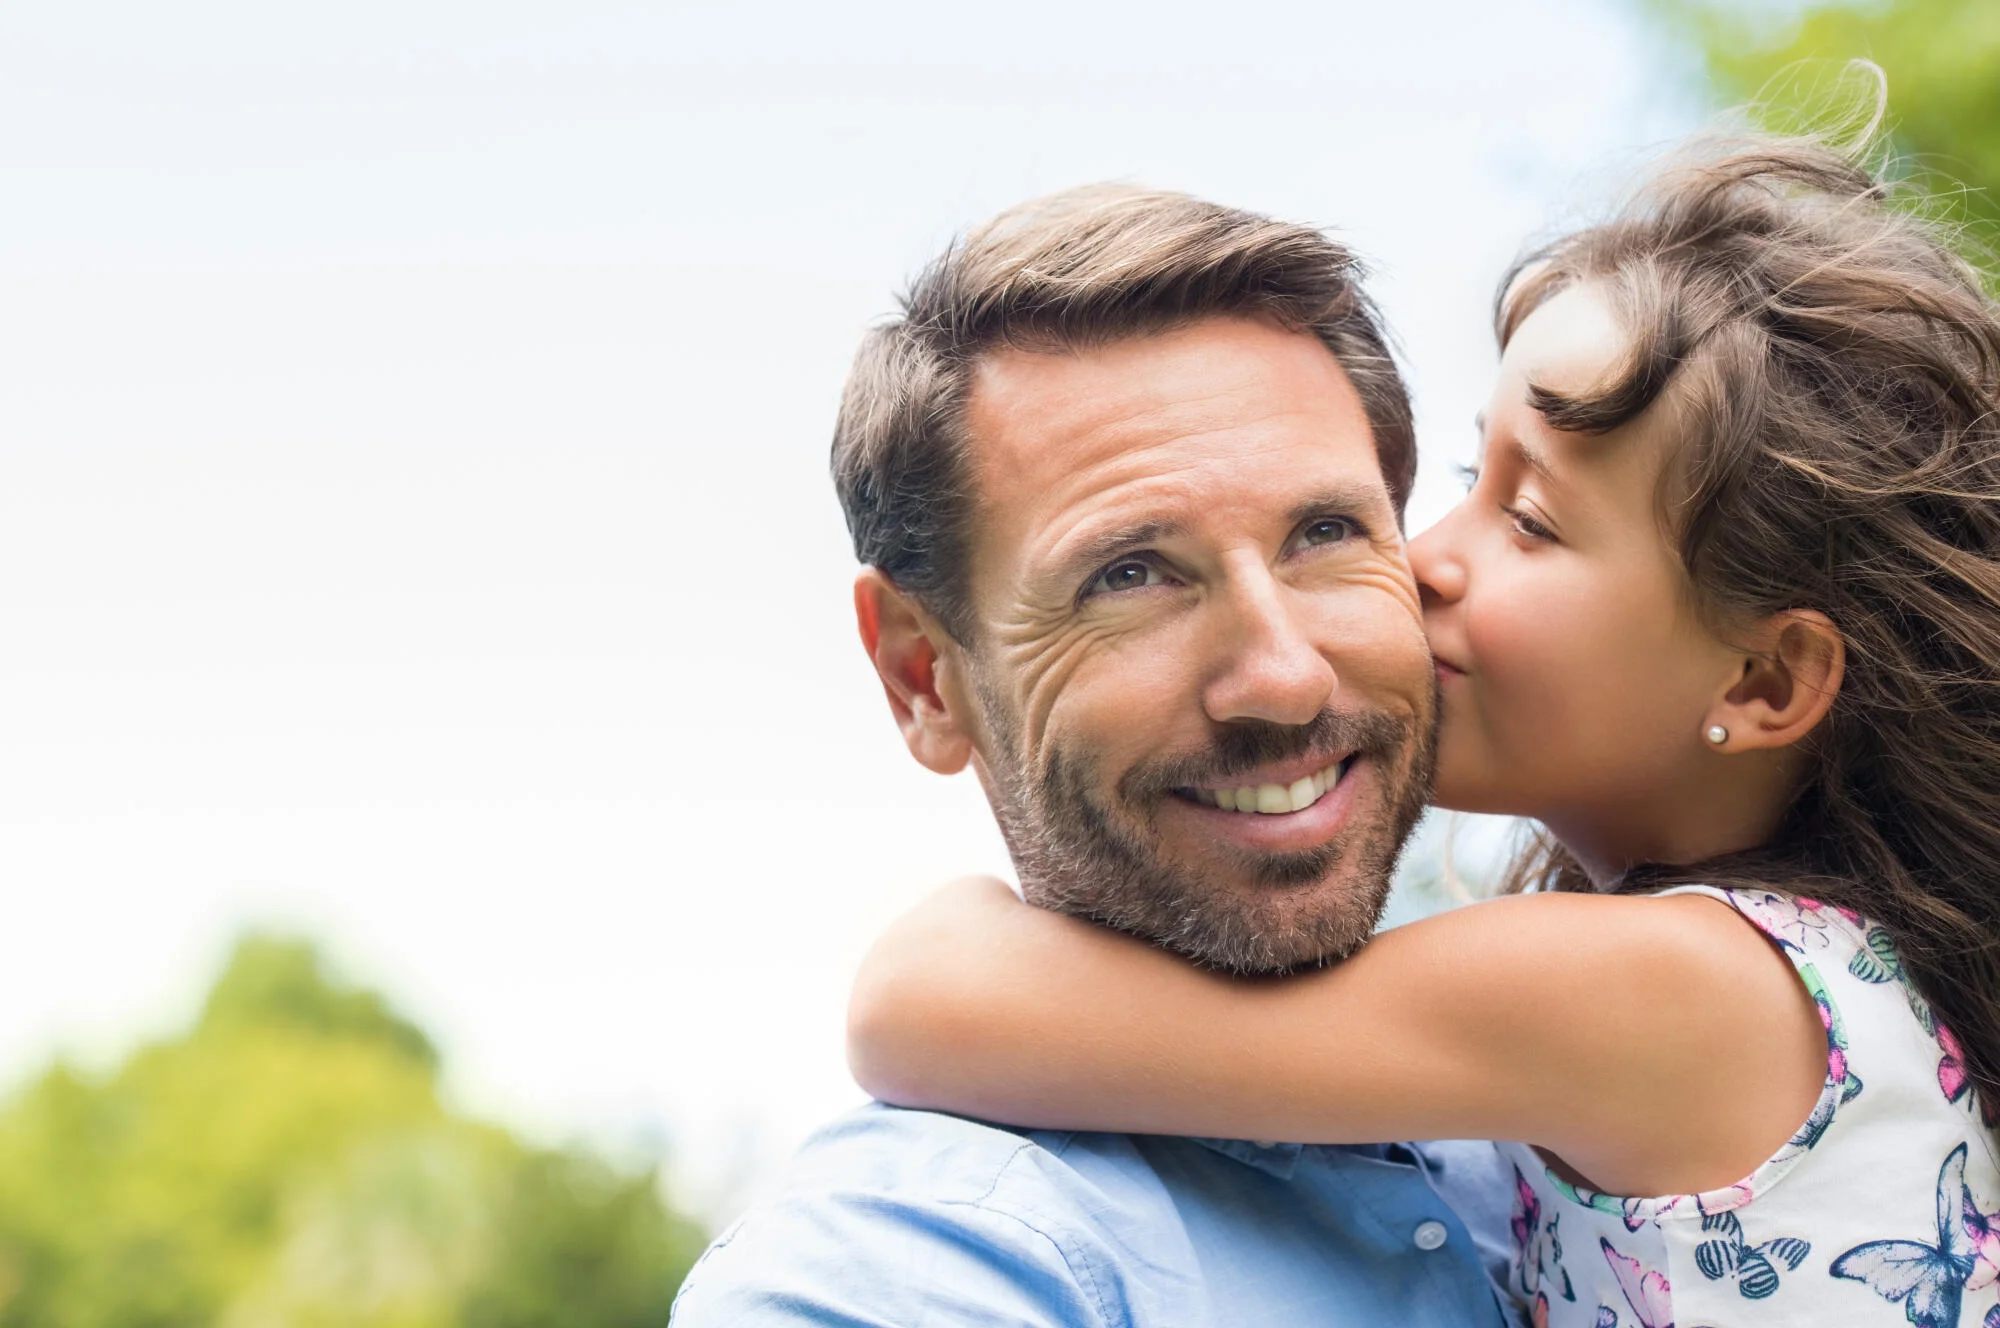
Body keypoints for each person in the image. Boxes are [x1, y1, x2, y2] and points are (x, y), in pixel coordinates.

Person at [849, 132, 2000, 1328]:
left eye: (1531, 520)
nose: (1425, 557)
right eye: (1465, 474)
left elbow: (923, 1006)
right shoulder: (1804, 980)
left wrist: (952, 926)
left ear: (1763, 682)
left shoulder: (1672, 988)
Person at [669, 187, 1523, 1325]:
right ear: (924, 676)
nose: (1283, 675)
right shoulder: (892, 1276)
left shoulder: (1571, 1144)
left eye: (1323, 533)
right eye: (1128, 574)